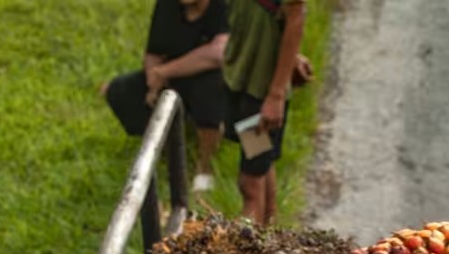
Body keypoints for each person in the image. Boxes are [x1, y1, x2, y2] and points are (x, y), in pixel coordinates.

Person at [105, 0, 230, 193]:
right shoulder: (167, 5)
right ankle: (165, 146)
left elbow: (218, 53)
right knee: (119, 91)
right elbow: (154, 53)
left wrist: (165, 71)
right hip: (175, 75)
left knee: (209, 91)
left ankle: (205, 167)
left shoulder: (225, 5)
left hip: (216, 77)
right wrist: (153, 82)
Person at [222, 0, 309, 225]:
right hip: (242, 78)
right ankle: (270, 235)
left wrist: (276, 94)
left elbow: (296, 16)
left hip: (260, 93)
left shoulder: (265, 93)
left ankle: (248, 252)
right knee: (262, 165)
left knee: (250, 184)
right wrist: (291, 57)